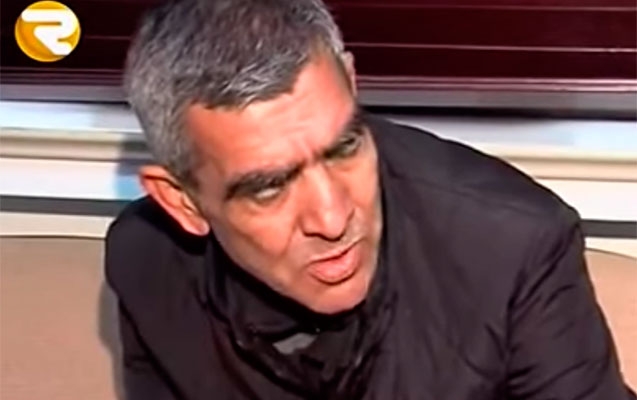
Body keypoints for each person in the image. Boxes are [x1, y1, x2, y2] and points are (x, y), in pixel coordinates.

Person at [104, 0, 636, 398]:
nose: (333, 218)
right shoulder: (146, 261)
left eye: (343, 148)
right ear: (182, 202)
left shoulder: (512, 244)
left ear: (352, 85)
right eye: (269, 186)